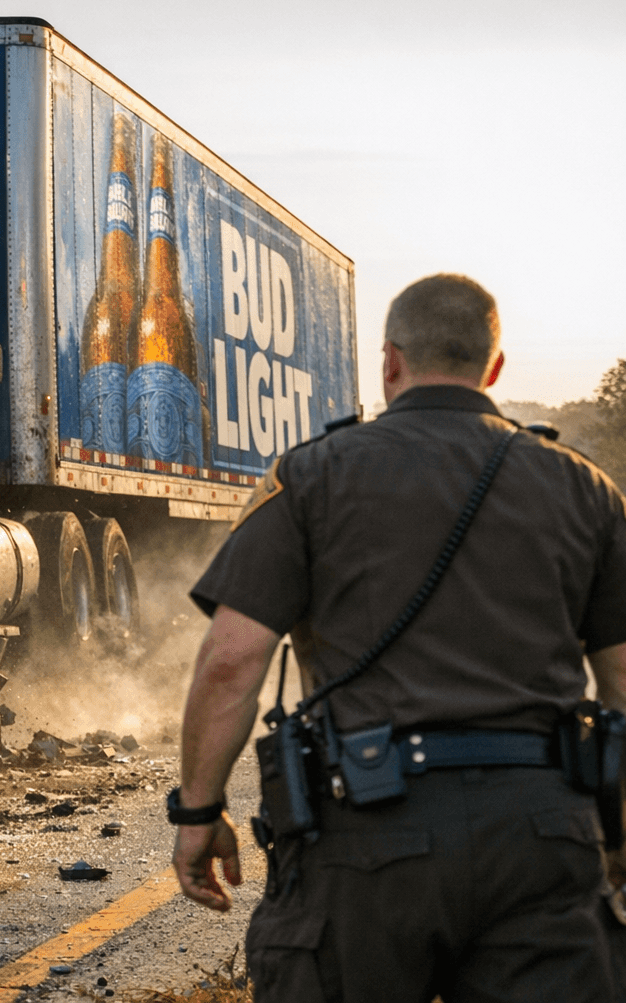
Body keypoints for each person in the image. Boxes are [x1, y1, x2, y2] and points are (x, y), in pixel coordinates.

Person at [169, 273, 626, 1002]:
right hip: (542, 835)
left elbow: (231, 661)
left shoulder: (311, 476)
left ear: (389, 363)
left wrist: (197, 813)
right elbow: (623, 681)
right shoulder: (584, 487)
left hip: (366, 834)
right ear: (494, 368)